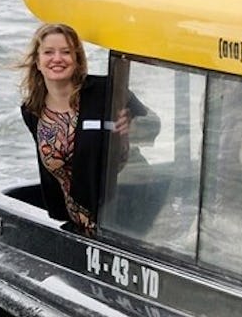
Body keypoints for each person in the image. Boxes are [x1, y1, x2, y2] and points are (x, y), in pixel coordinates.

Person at [17, 23, 150, 235]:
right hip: (79, 225)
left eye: (66, 52)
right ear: (38, 62)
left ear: (77, 59)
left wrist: (135, 126)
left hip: (125, 218)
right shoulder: (32, 109)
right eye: (49, 52)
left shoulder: (108, 90)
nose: (57, 58)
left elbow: (154, 124)